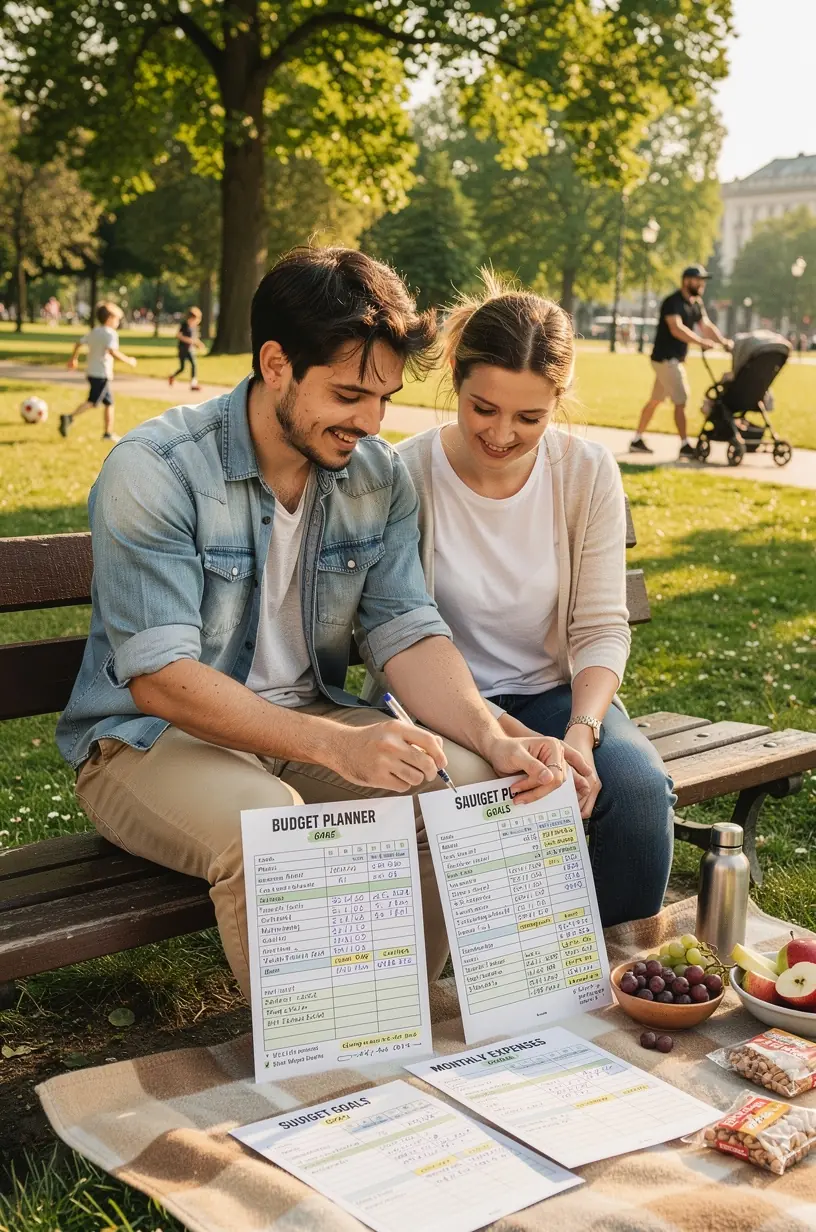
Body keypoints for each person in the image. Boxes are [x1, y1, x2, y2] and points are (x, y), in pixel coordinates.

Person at [56, 247, 584, 1001]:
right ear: (276, 364)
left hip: (307, 721)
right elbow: (161, 681)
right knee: (275, 832)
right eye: (348, 394)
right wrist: (338, 746)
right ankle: (332, 1061)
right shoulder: (158, 469)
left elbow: (407, 628)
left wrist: (493, 736)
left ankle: (414, 1023)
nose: (370, 422)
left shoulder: (376, 475)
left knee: (470, 790)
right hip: (147, 744)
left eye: (384, 398)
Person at [364, 273, 675, 927]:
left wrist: (582, 732)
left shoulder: (586, 471)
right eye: (483, 408)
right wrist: (498, 733)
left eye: (530, 418)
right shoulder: (405, 474)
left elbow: (600, 625)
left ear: (558, 401)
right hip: (436, 706)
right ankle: (512, 972)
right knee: (490, 788)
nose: (502, 434)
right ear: (455, 377)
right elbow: (387, 631)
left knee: (639, 790)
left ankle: (618, 976)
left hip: (552, 696)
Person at [631, 264, 732, 458]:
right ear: (686, 281)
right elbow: (676, 328)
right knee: (681, 399)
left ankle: (637, 440)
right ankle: (685, 445)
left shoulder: (696, 303)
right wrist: (701, 342)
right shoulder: (673, 302)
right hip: (665, 359)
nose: (702, 284)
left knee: (655, 400)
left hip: (672, 360)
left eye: (703, 281)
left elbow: (706, 325)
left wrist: (724, 342)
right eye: (698, 280)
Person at [63, 302, 137, 441]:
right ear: (109, 318)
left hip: (92, 372)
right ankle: (69, 417)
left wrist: (73, 359)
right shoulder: (110, 334)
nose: (118, 323)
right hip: (101, 374)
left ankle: (108, 433)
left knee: (109, 403)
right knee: (92, 402)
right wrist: (129, 361)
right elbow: (112, 351)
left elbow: (78, 344)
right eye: (117, 319)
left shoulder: (95, 331)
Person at [169, 306, 204, 392]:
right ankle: (172, 376)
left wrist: (199, 343)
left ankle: (193, 384)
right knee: (182, 368)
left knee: (194, 364)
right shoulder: (184, 325)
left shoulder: (194, 327)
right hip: (183, 349)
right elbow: (178, 335)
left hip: (190, 349)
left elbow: (194, 338)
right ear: (190, 318)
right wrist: (189, 341)